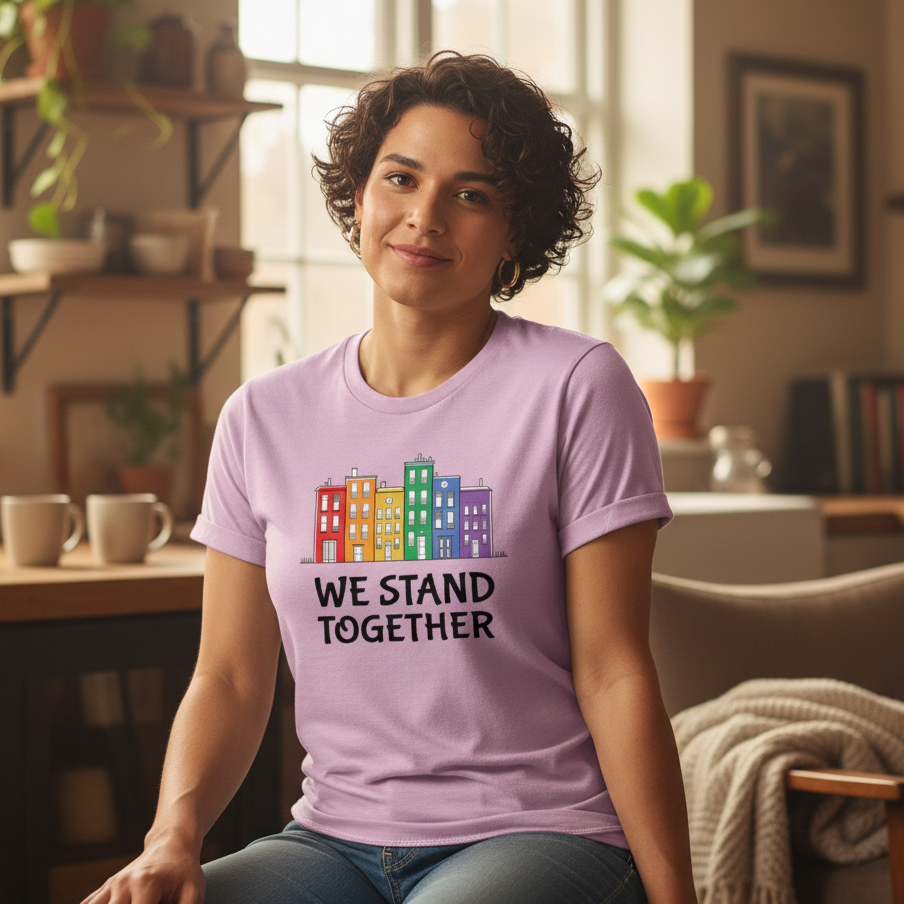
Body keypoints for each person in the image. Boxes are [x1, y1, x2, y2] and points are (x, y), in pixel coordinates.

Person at [83, 52, 697, 904]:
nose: (425, 216)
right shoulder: (262, 418)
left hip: (542, 832)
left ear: (515, 230)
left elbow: (614, 669)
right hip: (331, 841)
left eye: (471, 194)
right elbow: (227, 677)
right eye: (400, 179)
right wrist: (170, 839)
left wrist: (675, 895)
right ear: (359, 198)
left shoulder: (576, 388)